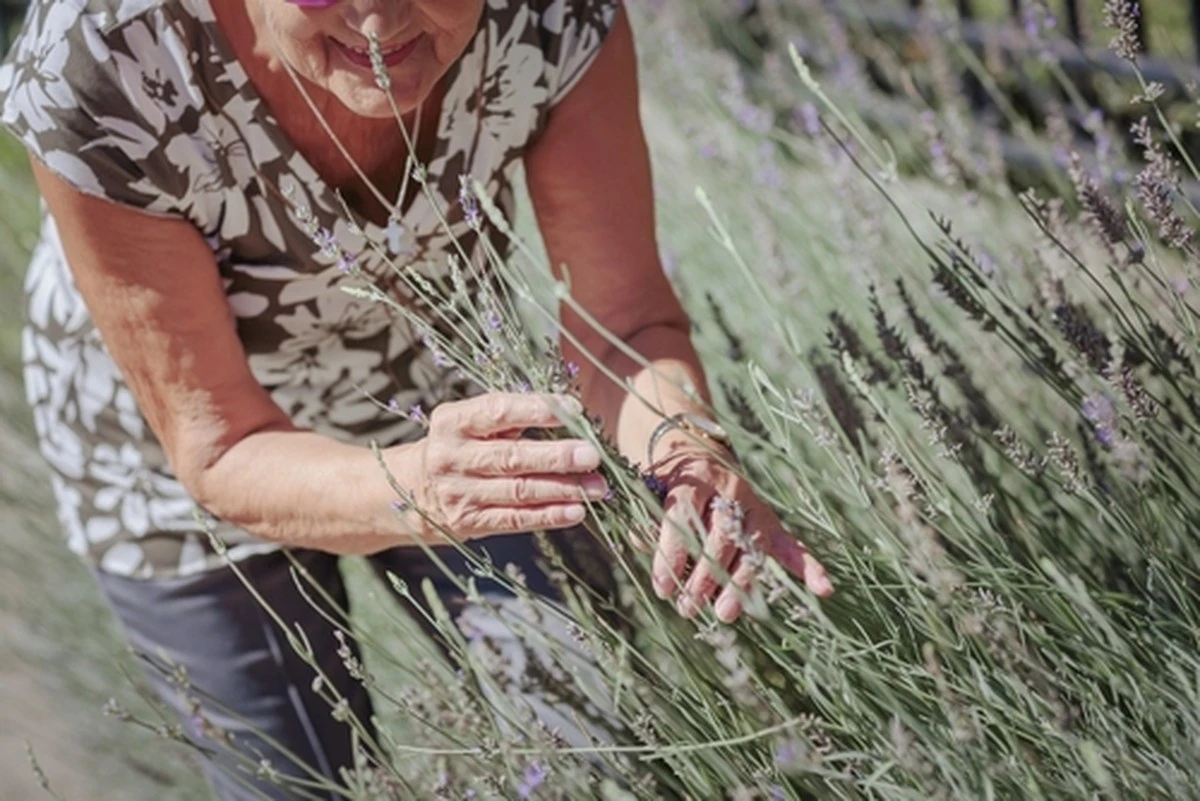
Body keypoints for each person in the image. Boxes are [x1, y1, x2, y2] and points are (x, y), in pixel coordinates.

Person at [0, 0, 833, 797]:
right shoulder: (97, 57)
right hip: (172, 464)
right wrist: (413, 491)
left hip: (450, 405)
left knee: (591, 744)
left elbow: (625, 321)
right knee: (294, 782)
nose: (380, 19)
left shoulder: (551, 12)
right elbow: (216, 444)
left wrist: (688, 454)